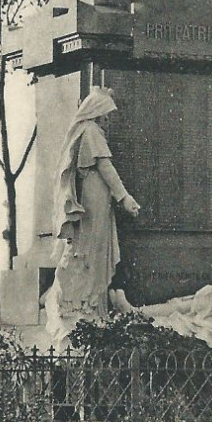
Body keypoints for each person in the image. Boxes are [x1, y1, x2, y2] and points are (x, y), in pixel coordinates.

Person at [46, 87, 140, 341]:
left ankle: (91, 301)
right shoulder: (91, 132)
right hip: (94, 200)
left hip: (97, 199)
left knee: (95, 248)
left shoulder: (89, 132)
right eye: (107, 115)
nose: (108, 121)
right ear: (97, 113)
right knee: (90, 247)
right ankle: (82, 302)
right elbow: (105, 166)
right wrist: (124, 197)